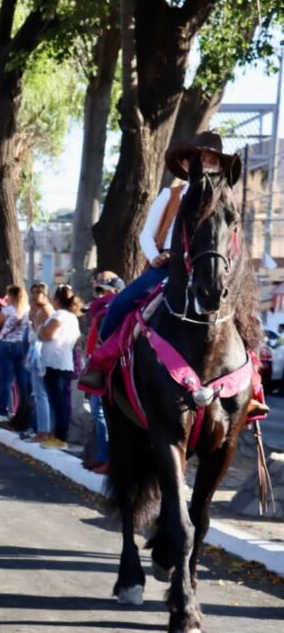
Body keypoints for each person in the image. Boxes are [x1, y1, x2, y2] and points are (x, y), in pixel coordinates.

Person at [81, 132, 238, 390]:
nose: (207, 165)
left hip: (211, 269)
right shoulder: (171, 195)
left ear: (221, 167)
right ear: (187, 165)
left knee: (245, 317)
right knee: (120, 303)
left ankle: (251, 383)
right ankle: (100, 363)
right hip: (169, 268)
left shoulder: (225, 200)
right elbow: (146, 235)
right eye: (201, 160)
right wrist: (155, 257)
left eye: (213, 161)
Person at [82, 272, 124, 474]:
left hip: (109, 366)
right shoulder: (101, 310)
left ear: (116, 291)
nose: (99, 294)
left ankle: (110, 460)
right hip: (98, 363)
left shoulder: (114, 308)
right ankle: (102, 457)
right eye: (98, 290)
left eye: (103, 290)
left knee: (103, 414)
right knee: (98, 413)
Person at [36, 284, 81, 449]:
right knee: (60, 401)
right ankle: (58, 434)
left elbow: (47, 334)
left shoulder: (59, 315)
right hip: (63, 362)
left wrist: (40, 328)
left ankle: (60, 438)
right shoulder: (73, 318)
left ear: (56, 300)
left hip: (55, 363)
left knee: (58, 402)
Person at [0, 285, 31, 423]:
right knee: (22, 380)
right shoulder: (28, 309)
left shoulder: (8, 310)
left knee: (6, 380)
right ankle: (24, 409)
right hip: (22, 346)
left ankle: (3, 411)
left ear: (12, 296)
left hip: (7, 345)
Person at [25, 282, 54, 442]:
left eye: (39, 292)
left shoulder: (46, 310)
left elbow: (44, 333)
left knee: (41, 394)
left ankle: (44, 431)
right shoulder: (37, 310)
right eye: (33, 291)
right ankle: (42, 429)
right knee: (39, 394)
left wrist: (35, 320)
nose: (35, 295)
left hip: (42, 354)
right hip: (37, 353)